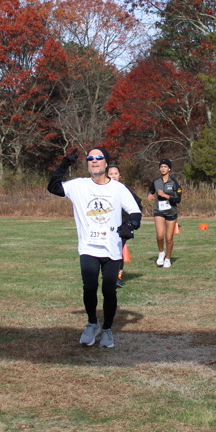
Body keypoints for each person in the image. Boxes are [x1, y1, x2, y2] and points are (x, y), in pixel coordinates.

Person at [49, 147, 141, 348]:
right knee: (89, 287)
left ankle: (107, 329)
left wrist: (131, 225)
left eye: (99, 157)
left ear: (106, 163)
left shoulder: (118, 188)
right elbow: (53, 187)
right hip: (88, 247)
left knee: (109, 291)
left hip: (112, 248)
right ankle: (92, 323)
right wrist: (64, 164)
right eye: (90, 158)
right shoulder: (78, 185)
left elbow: (135, 211)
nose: (94, 160)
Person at [107, 164, 142, 288]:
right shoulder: (103, 190)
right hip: (107, 225)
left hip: (122, 226)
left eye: (116, 174)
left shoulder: (124, 189)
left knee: (118, 249)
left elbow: (137, 204)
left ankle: (117, 277)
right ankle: (108, 274)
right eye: (111, 174)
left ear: (120, 175)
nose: (113, 176)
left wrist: (131, 222)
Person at [147, 158, 182, 269]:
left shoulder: (174, 182)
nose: (163, 169)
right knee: (160, 235)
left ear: (169, 169)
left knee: (169, 238)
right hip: (159, 211)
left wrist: (165, 196)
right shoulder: (156, 181)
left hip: (171, 211)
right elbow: (151, 191)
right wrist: (150, 195)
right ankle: (161, 252)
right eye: (161, 167)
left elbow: (178, 199)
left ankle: (167, 259)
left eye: (165, 167)